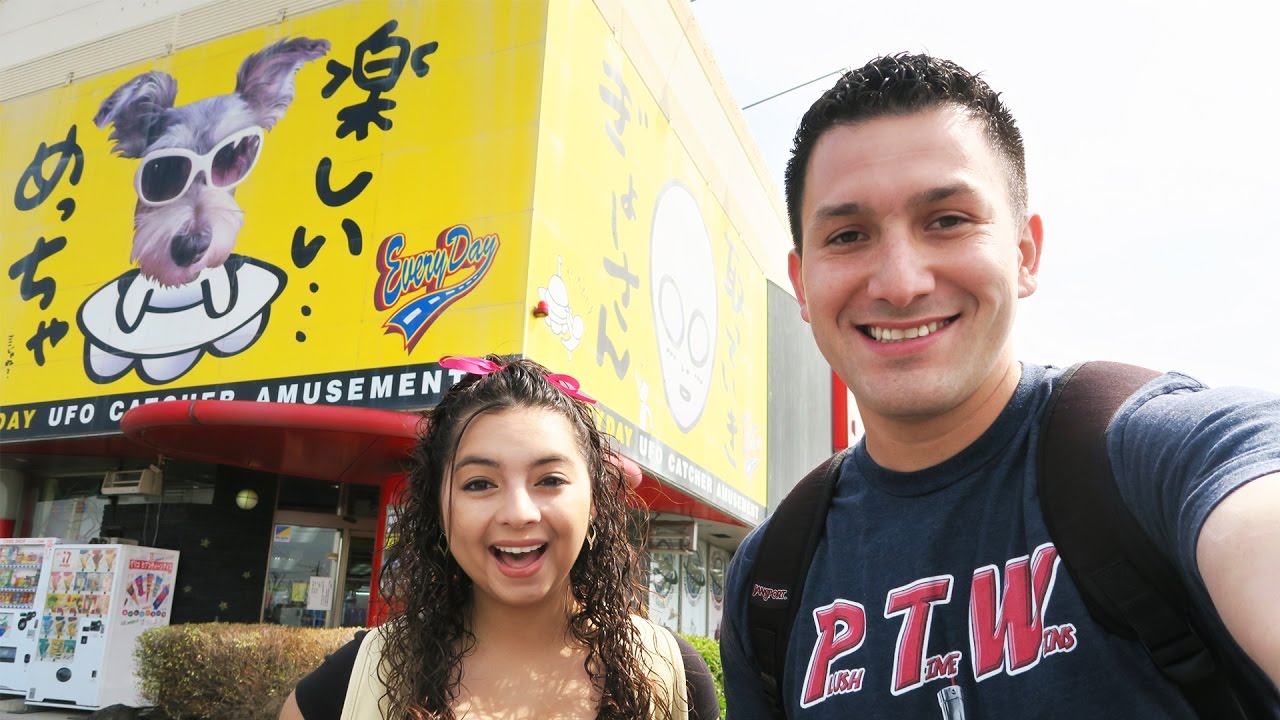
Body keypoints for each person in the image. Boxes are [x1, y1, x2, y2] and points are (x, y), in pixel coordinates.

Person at [720, 53, 1280, 718]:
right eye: (848, 235)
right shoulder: (770, 582)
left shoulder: (1158, 456)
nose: (900, 282)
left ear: (1024, 252)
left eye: (947, 220)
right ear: (802, 281)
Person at [280, 355, 720, 719]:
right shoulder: (358, 679)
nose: (518, 513)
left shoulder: (670, 674)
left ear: (595, 503)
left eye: (549, 479)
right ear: (438, 509)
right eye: (479, 483)